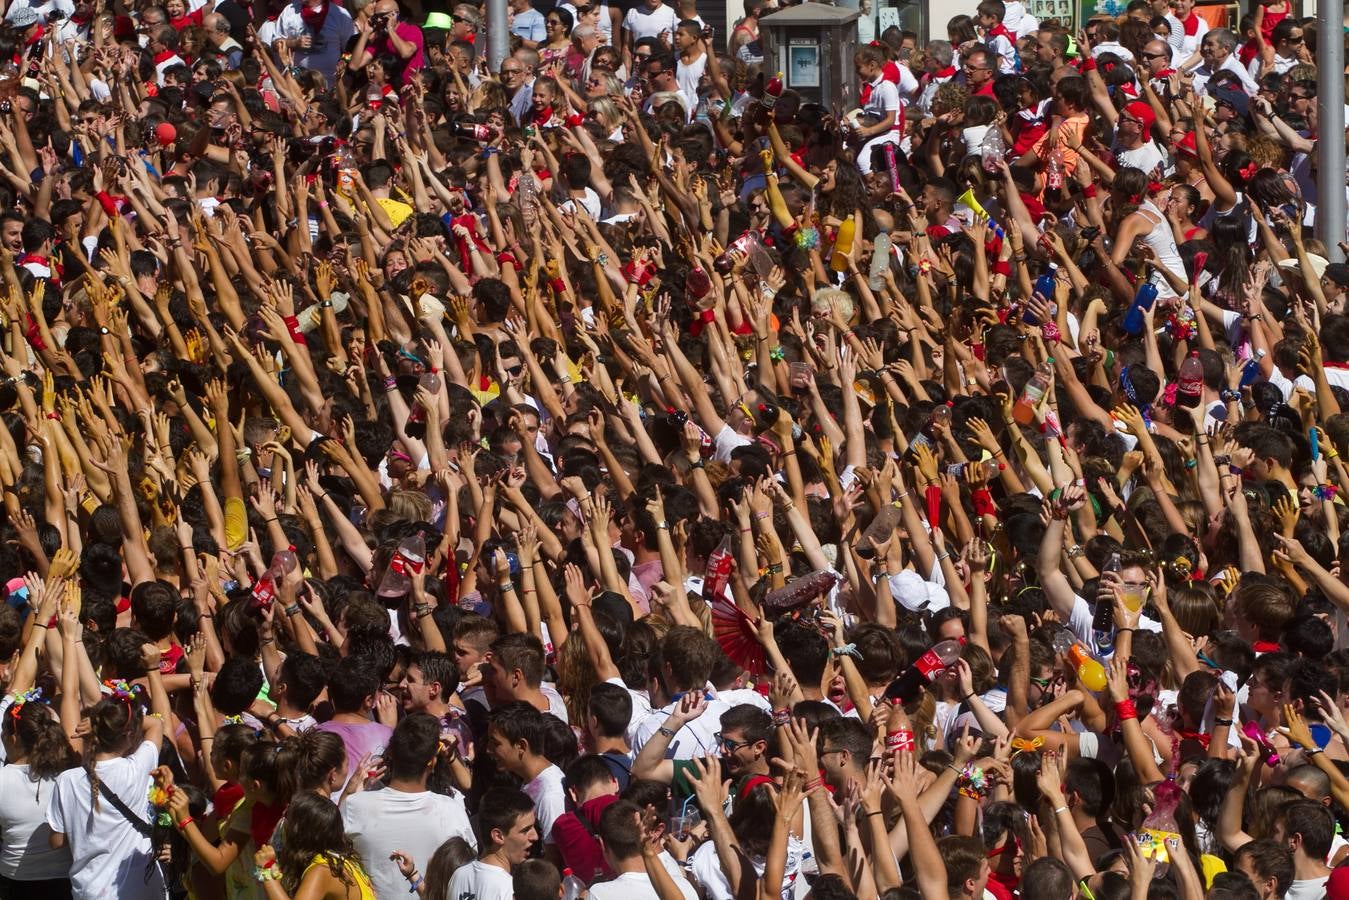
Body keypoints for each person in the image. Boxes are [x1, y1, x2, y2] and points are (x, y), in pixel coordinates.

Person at [342, 714, 475, 900]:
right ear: (433, 761)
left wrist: (347, 795)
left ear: (392, 753)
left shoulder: (354, 806)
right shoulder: (452, 811)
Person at [447, 789, 537, 900]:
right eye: (525, 830)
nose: (535, 836)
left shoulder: (458, 876)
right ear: (498, 836)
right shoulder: (510, 890)